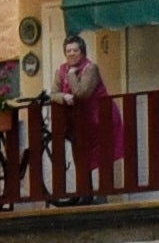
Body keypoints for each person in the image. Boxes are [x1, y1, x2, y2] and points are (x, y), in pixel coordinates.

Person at [47, 35, 124, 203]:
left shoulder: (91, 69)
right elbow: (53, 93)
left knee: (103, 155)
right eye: (68, 51)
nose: (72, 54)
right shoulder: (60, 71)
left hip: (101, 118)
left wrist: (72, 75)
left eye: (75, 50)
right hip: (80, 121)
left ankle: (103, 194)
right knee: (82, 156)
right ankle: (86, 194)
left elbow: (82, 93)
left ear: (82, 52)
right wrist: (64, 97)